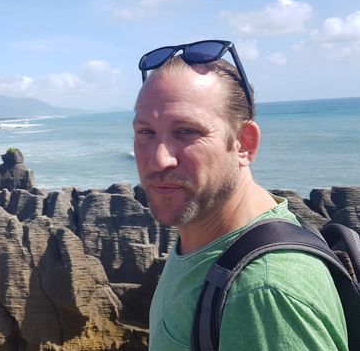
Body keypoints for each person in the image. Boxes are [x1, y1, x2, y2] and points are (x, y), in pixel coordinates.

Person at [132, 40, 347, 350]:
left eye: (187, 131)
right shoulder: (202, 241)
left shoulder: (263, 293)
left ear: (245, 144)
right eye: (146, 132)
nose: (158, 159)